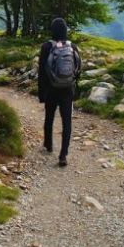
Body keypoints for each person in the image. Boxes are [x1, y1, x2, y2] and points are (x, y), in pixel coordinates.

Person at [38, 18, 81, 166]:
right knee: (66, 121)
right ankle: (63, 155)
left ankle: (48, 145)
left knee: (49, 117)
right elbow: (78, 68)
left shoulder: (47, 47)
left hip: (51, 89)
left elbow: (42, 72)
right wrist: (74, 87)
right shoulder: (72, 46)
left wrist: (41, 94)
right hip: (67, 90)